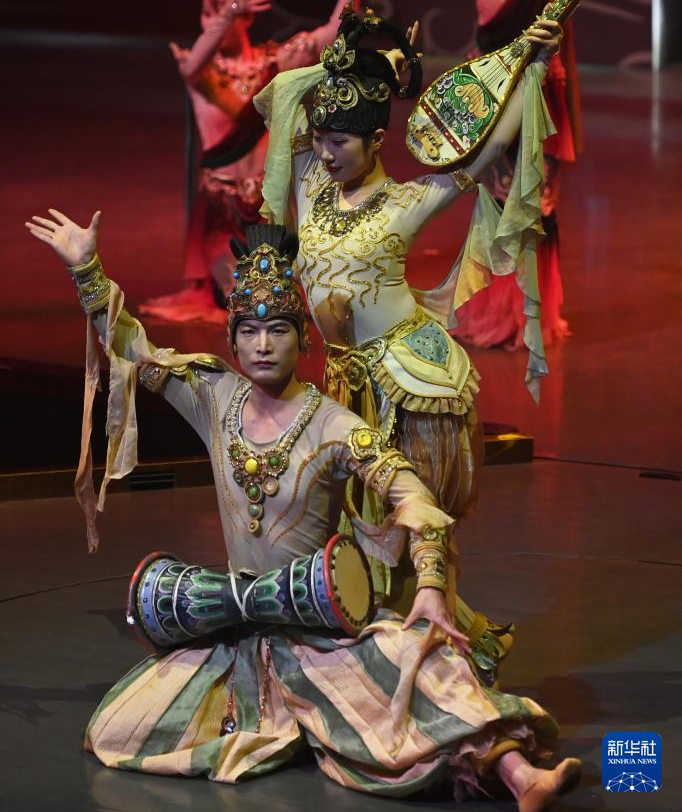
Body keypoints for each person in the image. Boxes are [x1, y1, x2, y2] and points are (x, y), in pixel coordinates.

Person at [25, 213, 581, 809]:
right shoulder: (213, 397)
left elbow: (412, 497)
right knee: (118, 726)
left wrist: (430, 585)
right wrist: (86, 268)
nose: (263, 345)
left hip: (321, 636)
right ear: (233, 339)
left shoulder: (334, 426)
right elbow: (133, 347)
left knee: (420, 660)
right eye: (250, 330)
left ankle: (522, 777)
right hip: (236, 632)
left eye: (279, 330)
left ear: (303, 339)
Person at [253, 6, 562, 669]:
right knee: (351, 526)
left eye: (341, 142)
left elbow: (484, 152)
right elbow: (281, 95)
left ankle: (442, 643)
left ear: (375, 141)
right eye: (321, 138)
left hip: (406, 384)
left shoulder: (407, 201)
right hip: (342, 381)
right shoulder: (310, 181)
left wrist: (534, 67)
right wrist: (362, 62)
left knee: (406, 524)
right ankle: (377, 636)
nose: (326, 152)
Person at [301, 0, 627, 347]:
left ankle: (531, 318)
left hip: (537, 96)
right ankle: (498, 314)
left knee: (533, 205)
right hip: (485, 100)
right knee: (494, 201)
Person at [141, 0, 372, 323]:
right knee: (250, 299)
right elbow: (192, 64)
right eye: (208, 9)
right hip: (221, 216)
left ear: (249, 15)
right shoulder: (202, 70)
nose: (210, 18)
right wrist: (229, 9)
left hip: (267, 209)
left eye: (219, 7)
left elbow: (332, 34)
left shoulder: (273, 63)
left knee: (289, 298)